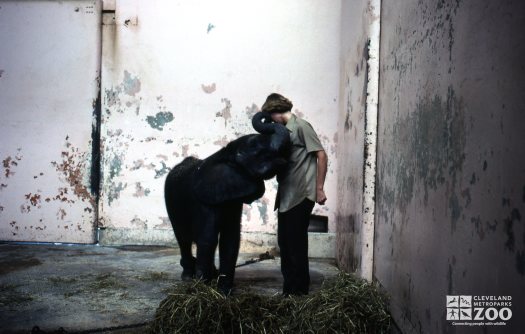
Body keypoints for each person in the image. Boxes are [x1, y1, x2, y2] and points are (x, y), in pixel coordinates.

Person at [261, 93, 328, 295]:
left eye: (270, 115)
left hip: (302, 193)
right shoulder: (282, 132)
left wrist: (319, 188)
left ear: (276, 112)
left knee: (296, 245)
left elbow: (321, 154)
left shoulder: (301, 126)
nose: (270, 120)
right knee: (285, 244)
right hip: (287, 195)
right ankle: (289, 290)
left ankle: (300, 292)